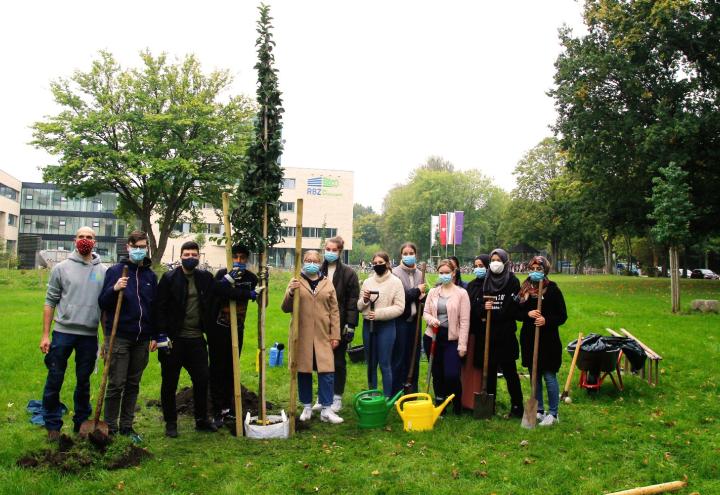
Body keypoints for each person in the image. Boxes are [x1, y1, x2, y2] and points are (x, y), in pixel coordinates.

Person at [40, 227, 107, 441]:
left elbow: (105, 309)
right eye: (81, 237)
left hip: (88, 335)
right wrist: (45, 335)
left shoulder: (102, 271)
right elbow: (50, 301)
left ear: (95, 242)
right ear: (74, 240)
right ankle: (52, 425)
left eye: (89, 237)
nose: (85, 240)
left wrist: (105, 339)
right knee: (55, 378)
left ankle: (81, 423)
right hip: (63, 333)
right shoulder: (61, 268)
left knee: (83, 381)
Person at [153, 241, 218, 437]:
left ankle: (201, 420)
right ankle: (171, 423)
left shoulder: (205, 278)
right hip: (174, 340)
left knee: (202, 379)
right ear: (180, 256)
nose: (190, 258)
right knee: (169, 382)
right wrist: (161, 334)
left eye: (194, 255)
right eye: (187, 254)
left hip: (196, 339)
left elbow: (219, 292)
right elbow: (159, 307)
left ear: (199, 257)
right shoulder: (169, 278)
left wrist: (242, 289)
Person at [98, 230, 157, 442]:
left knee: (133, 384)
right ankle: (110, 427)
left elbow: (154, 308)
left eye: (143, 247)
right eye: (136, 247)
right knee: (116, 384)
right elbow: (103, 303)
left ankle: (127, 426)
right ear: (128, 247)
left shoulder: (150, 276)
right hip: (120, 337)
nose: (140, 250)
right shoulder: (116, 271)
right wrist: (114, 289)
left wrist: (154, 335)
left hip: (142, 339)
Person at [281, 250, 343, 424]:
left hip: (323, 334)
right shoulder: (296, 281)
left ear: (319, 263)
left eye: (315, 261)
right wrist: (291, 293)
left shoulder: (327, 283)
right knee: (303, 370)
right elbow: (285, 307)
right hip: (301, 334)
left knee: (327, 371)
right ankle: (307, 406)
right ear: (303, 262)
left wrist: (335, 335)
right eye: (308, 260)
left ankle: (326, 408)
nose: (311, 263)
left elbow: (334, 311)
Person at [208, 244, 259, 427]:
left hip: (238, 329)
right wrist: (246, 294)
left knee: (232, 368)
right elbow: (218, 291)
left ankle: (228, 408)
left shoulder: (251, 278)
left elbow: (263, 299)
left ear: (247, 259)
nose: (239, 261)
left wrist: (262, 287)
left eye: (242, 258)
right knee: (217, 368)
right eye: (235, 257)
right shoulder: (222, 274)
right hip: (219, 328)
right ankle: (216, 410)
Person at [517, 256, 567, 426]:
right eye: (533, 269)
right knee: (534, 376)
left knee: (549, 375)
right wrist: (528, 314)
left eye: (539, 269)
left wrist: (546, 320)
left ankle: (553, 413)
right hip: (529, 339)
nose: (535, 272)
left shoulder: (552, 290)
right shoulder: (524, 290)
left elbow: (562, 316)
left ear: (545, 270)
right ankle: (538, 410)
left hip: (548, 340)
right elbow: (517, 313)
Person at [310, 236, 359, 413]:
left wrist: (350, 325)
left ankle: (336, 396)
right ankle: (322, 396)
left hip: (340, 323)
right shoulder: (316, 270)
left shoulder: (349, 274)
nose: (330, 253)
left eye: (334, 250)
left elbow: (353, 301)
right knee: (319, 360)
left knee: (338, 361)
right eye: (328, 249)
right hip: (319, 323)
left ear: (340, 252)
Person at [479, 248, 524, 418]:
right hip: (489, 334)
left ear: (505, 262)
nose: (495, 263)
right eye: (493, 260)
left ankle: (517, 406)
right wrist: (485, 309)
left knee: (509, 371)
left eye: (498, 259)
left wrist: (495, 314)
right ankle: (489, 405)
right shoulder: (487, 280)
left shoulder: (512, 281)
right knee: (489, 371)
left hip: (505, 334)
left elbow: (511, 308)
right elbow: (481, 303)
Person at [422, 259, 470, 414]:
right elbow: (425, 313)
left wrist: (462, 345)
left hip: (451, 339)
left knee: (451, 374)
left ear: (453, 273)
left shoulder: (461, 293)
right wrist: (431, 320)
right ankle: (440, 404)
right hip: (433, 336)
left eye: (447, 273)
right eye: (441, 273)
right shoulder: (433, 292)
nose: (444, 275)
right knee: (437, 373)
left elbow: (464, 321)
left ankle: (456, 404)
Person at [357, 251, 405, 397]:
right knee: (371, 363)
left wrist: (379, 314)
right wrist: (365, 300)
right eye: (375, 263)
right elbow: (359, 307)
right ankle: (373, 394)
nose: (378, 265)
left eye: (381, 263)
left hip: (386, 326)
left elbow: (400, 307)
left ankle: (386, 397)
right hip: (368, 326)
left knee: (384, 363)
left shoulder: (395, 282)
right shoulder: (367, 282)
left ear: (388, 263)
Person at [390, 242, 427, 394]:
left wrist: (424, 297)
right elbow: (401, 298)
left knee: (414, 357)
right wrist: (417, 291)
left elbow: (423, 296)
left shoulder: (420, 274)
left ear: (415, 255)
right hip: (401, 321)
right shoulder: (395, 273)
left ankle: (412, 390)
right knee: (399, 358)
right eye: (405, 253)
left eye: (411, 253)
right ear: (401, 256)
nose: (408, 256)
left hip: (415, 322)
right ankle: (396, 391)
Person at [461, 254, 490, 410]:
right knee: (469, 365)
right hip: (472, 330)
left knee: (480, 366)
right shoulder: (471, 285)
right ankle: (466, 400)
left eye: (481, 266)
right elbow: (469, 306)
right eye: (476, 265)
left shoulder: (491, 285)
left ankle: (478, 400)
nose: (478, 268)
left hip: (484, 333)